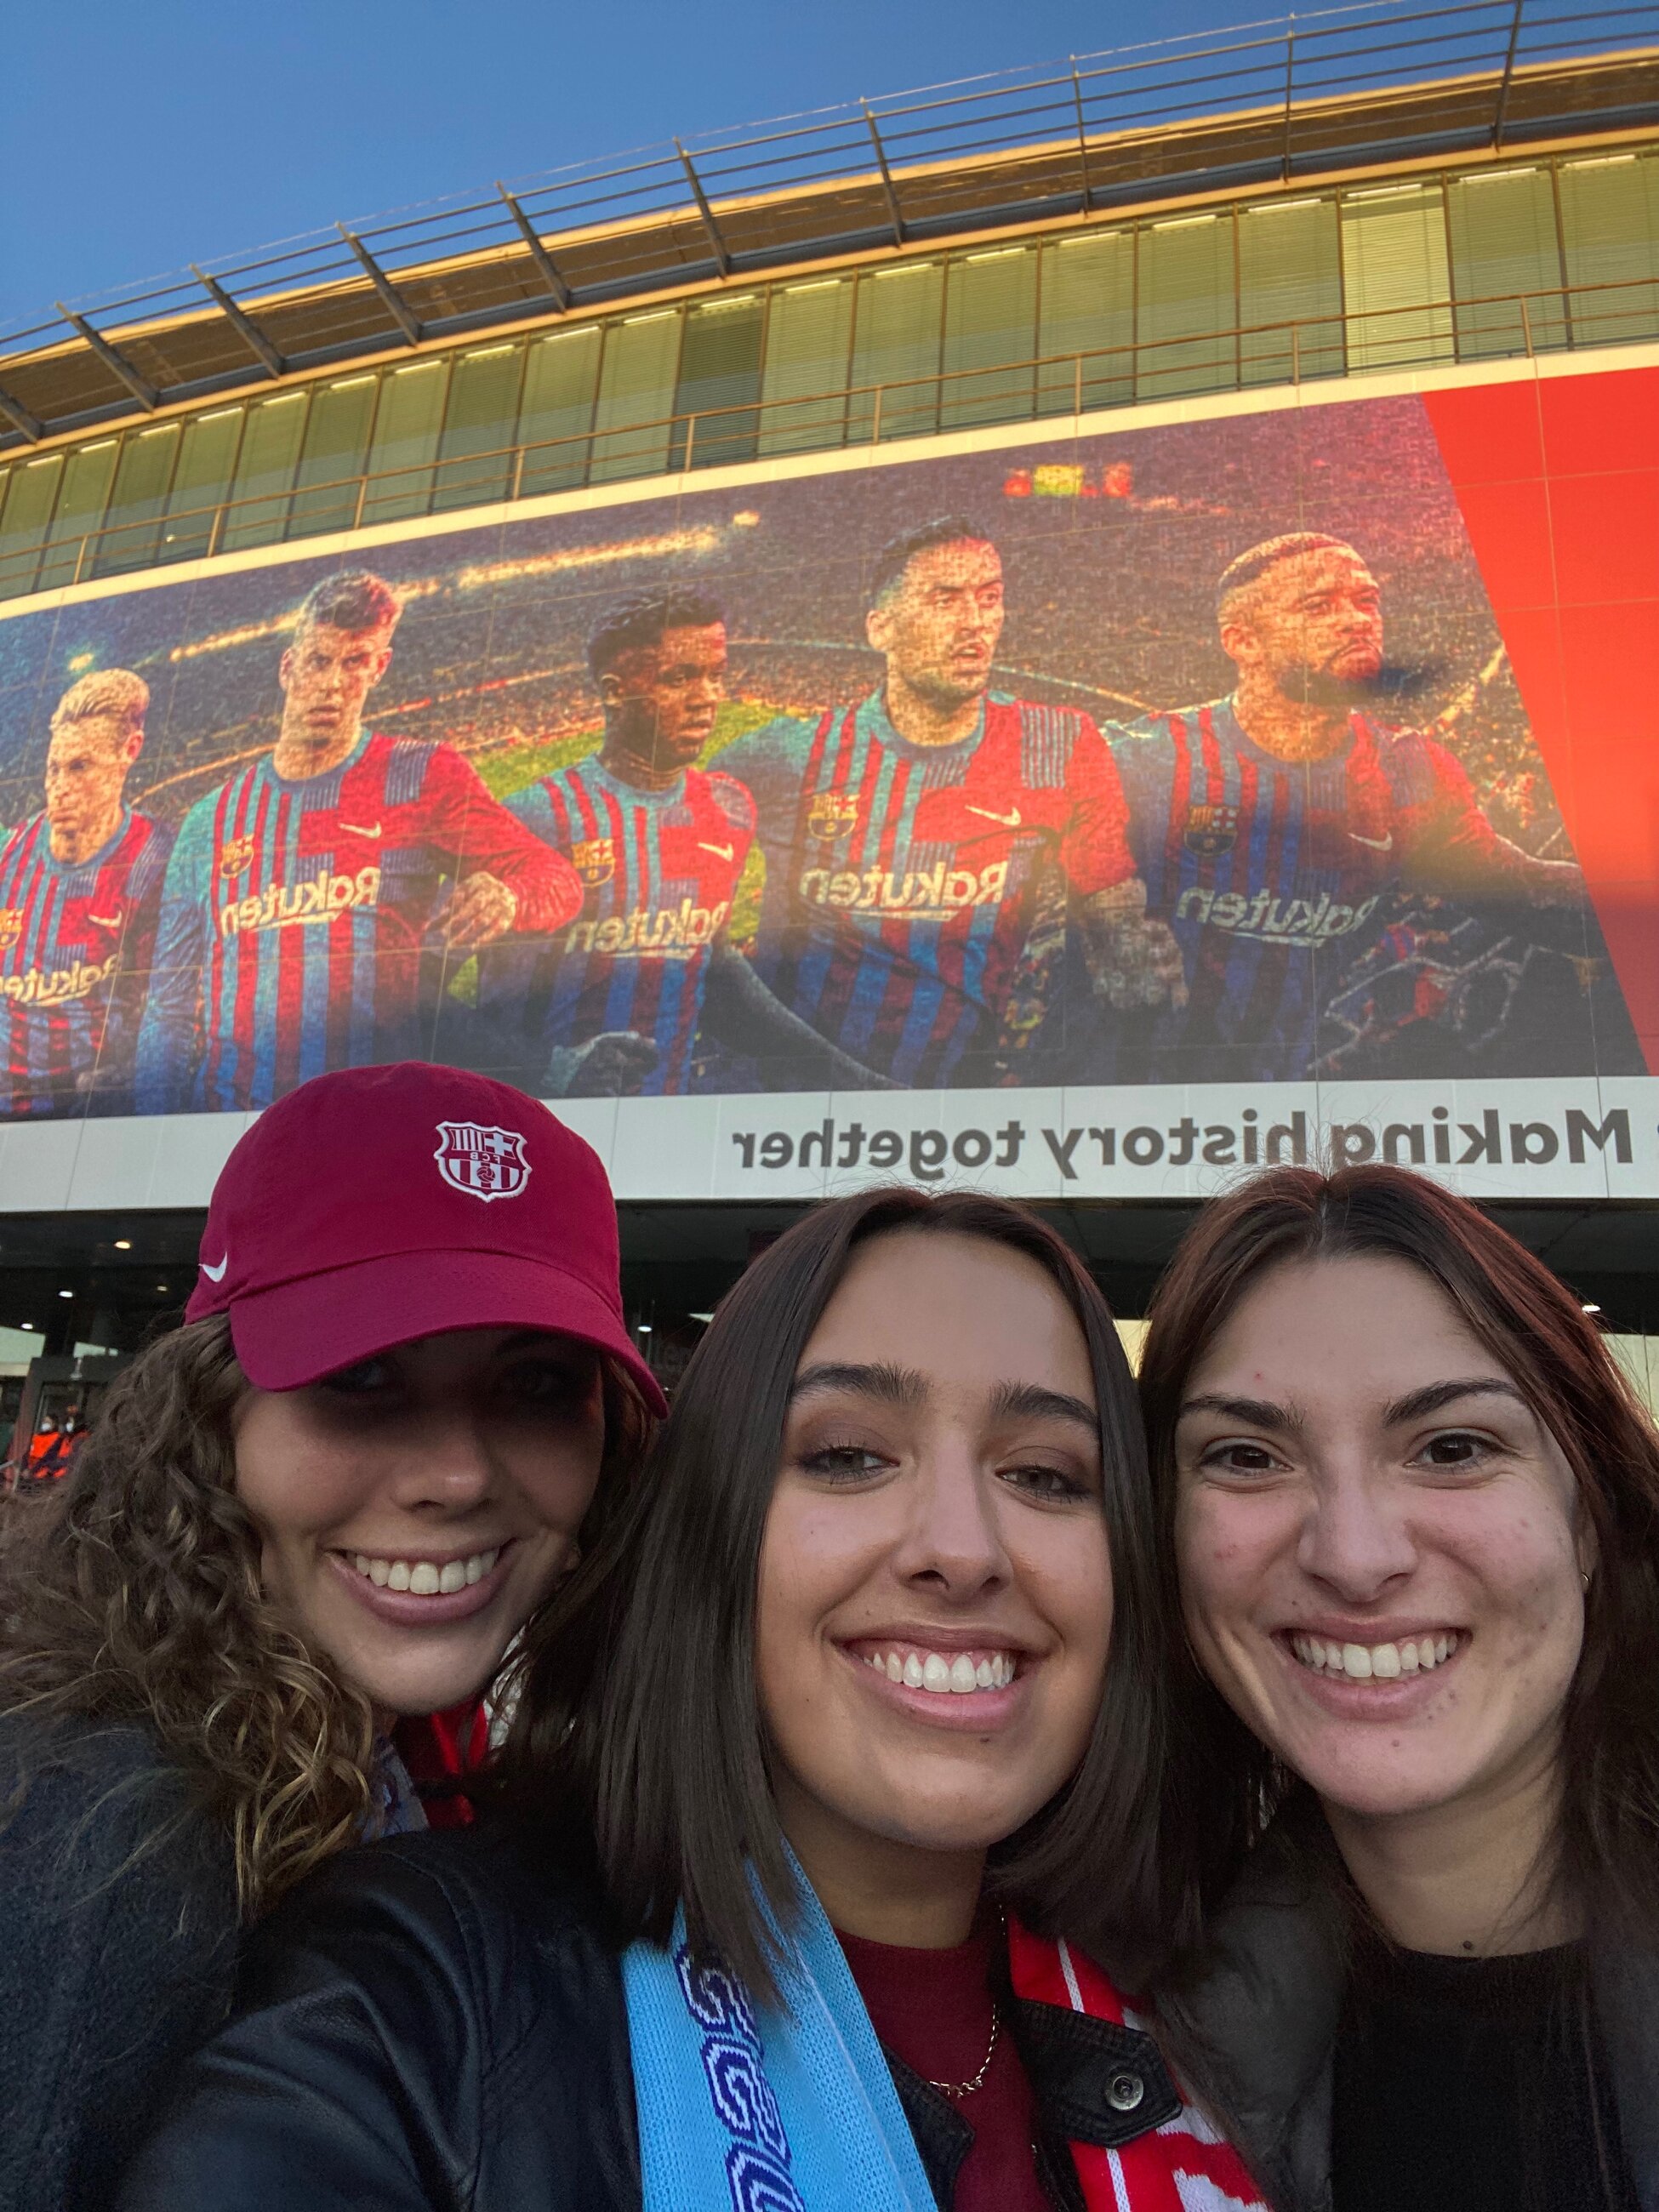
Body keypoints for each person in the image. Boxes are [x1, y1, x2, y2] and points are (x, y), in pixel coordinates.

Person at [117, 1187, 1266, 2212]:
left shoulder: (1237, 2004)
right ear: (709, 1534)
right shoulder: (421, 1996)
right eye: (849, 1455)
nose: (962, 1551)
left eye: (1045, 1475)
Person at [0, 1058, 661, 2212]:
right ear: (212, 1432)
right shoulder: (100, 1843)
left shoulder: (421, 1755)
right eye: (361, 1376)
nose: (457, 1475)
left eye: (540, 1384)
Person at [1139, 1162, 1659, 2211]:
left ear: (1591, 1520)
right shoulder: (1112, 2049)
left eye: (1452, 1445)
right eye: (1246, 1455)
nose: (1354, 1554)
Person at [717, 518, 1184, 1089]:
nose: (975, 623)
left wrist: (1134, 955)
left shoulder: (1061, 745)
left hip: (946, 1115)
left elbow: (1113, 928)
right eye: (944, 600)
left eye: (989, 598)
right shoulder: (786, 755)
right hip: (777, 1115)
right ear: (879, 629)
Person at [1110, 533, 1587, 1082]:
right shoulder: (1142, 759)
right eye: (1319, 607)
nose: (1358, 620)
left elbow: (1525, 895)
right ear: (1243, 642)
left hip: (1263, 1103)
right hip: (1107, 1109)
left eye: (1367, 601)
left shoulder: (1409, 771)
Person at [135, 569, 584, 1113]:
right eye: (319, 661)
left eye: (354, 662)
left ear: (380, 667)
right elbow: (168, 1008)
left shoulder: (423, 775)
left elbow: (558, 880)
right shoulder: (210, 821)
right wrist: (155, 1127)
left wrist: (511, 898)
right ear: (288, 667)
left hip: (381, 1121)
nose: (332, 683)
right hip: (239, 1126)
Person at [476, 585, 891, 1097]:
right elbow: (420, 1007)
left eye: (716, 675)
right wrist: (550, 1068)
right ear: (613, 691)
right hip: (532, 1129)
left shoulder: (728, 809)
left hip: (668, 1126)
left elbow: (707, 965)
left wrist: (851, 1077)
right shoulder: (532, 818)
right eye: (679, 679)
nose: (708, 697)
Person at [0, 669, 172, 1117]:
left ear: (128, 752)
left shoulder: (154, 860)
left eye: (80, 767)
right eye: (53, 768)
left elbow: (165, 1006)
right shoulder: (7, 856)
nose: (60, 787)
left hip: (88, 1116)